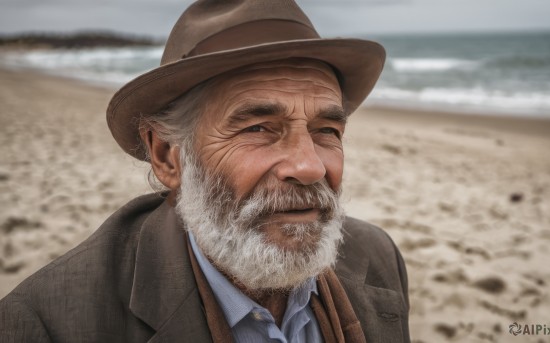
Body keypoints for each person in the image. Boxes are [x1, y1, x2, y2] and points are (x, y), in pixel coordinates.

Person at [0, 1, 410, 342]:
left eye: (326, 131)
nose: (309, 165)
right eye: (258, 128)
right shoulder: (47, 323)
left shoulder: (377, 256)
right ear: (167, 157)